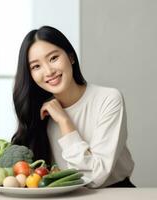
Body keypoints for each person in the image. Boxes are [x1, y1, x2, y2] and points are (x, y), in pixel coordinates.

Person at [11, 25, 135, 188]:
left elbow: (93, 178)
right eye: (36, 66)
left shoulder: (108, 99)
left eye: (53, 58)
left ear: (71, 57)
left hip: (113, 192)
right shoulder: (38, 110)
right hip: (60, 195)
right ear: (31, 75)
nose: (48, 71)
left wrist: (64, 121)